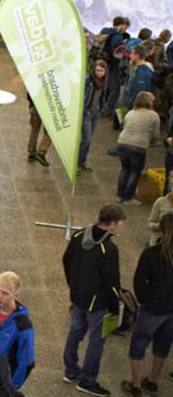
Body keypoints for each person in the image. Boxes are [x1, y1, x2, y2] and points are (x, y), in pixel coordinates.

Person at [62, 204, 125, 397]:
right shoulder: (109, 249)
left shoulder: (79, 235)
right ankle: (88, 381)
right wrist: (115, 307)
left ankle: (70, 370)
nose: (121, 225)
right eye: (120, 222)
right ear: (112, 223)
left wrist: (73, 285)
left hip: (79, 296)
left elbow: (66, 259)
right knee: (96, 342)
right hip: (97, 303)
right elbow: (112, 282)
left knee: (75, 332)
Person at [122, 213, 173, 396]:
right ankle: (152, 381)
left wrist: (144, 300)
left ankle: (135, 385)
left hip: (153, 308)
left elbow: (139, 281)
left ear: (162, 228)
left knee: (139, 344)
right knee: (163, 345)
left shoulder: (152, 253)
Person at [0, 272, 36, 390]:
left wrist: (10, 388)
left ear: (16, 295)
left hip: (2, 381)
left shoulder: (23, 326)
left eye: (5, 293)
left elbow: (27, 362)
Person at [116, 91, 161, 205]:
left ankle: (120, 195)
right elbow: (156, 135)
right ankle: (128, 198)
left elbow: (125, 127)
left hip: (122, 143)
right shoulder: (154, 115)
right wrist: (153, 142)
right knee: (134, 172)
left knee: (125, 169)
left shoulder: (131, 113)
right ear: (149, 102)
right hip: (138, 146)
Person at [79, 60, 108, 172]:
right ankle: (78, 162)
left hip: (96, 113)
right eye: (97, 70)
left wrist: (102, 109)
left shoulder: (104, 82)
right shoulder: (88, 80)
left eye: (102, 71)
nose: (99, 73)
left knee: (89, 140)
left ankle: (83, 161)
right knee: (86, 139)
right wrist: (84, 109)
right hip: (87, 112)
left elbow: (102, 97)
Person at [99, 17, 130, 118]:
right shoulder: (117, 36)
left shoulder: (106, 32)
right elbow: (118, 54)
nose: (126, 28)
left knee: (104, 88)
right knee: (114, 90)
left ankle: (101, 109)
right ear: (122, 24)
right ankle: (107, 112)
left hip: (103, 63)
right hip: (112, 66)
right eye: (125, 26)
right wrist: (128, 54)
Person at [125, 45, 155, 113]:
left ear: (137, 55)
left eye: (132, 53)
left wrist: (129, 106)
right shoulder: (136, 68)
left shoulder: (142, 73)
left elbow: (137, 93)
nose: (130, 55)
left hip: (135, 108)